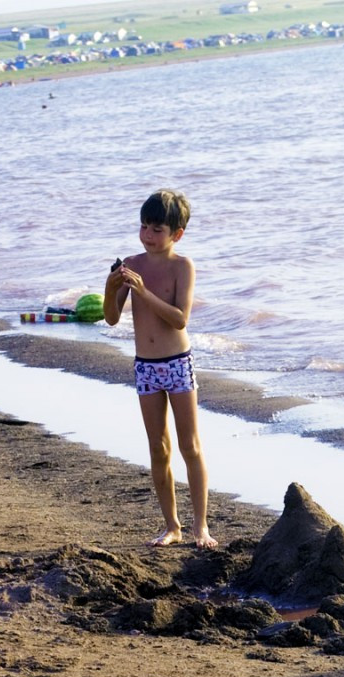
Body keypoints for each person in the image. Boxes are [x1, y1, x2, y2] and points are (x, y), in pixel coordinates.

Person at [103, 189, 217, 549]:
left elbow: (179, 319)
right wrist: (112, 286)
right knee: (158, 448)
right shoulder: (132, 265)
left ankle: (201, 526)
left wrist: (144, 291)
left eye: (157, 230)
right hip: (146, 367)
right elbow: (110, 318)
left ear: (176, 234)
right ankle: (172, 526)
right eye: (144, 228)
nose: (148, 236)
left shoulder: (183, 266)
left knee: (191, 447)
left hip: (177, 364)